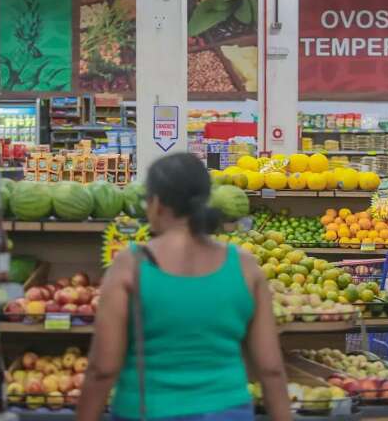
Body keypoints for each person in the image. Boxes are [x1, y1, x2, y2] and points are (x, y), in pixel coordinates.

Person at [77, 152, 291, 421]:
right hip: (226, 410)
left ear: (156, 204)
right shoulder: (245, 267)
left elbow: (103, 368)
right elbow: (271, 368)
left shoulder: (130, 265)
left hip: (148, 410)